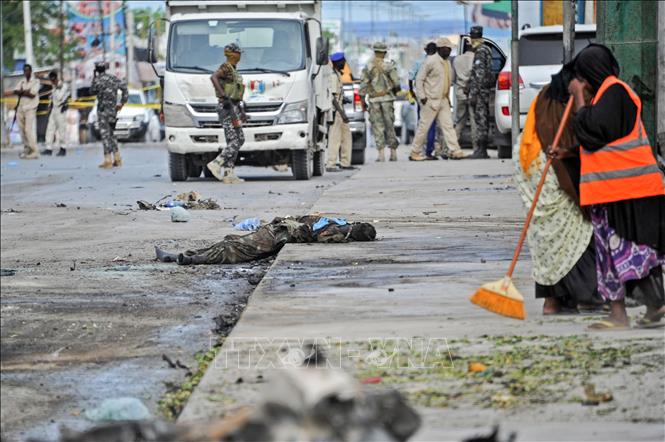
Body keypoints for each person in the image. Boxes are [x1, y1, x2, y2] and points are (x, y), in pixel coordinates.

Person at [554, 44, 665, 329]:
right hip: (611, 192)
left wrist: (579, 98)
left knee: (628, 251)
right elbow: (601, 145)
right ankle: (624, 312)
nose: (580, 86)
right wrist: (567, 153)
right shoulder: (606, 97)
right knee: (612, 254)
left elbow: (594, 131)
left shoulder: (615, 92)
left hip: (630, 191)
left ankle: (652, 305)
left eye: (581, 79)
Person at [513, 64, 601, 315]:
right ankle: (586, 296)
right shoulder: (564, 103)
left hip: (527, 164)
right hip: (545, 169)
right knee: (577, 231)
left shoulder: (549, 94)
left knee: (545, 237)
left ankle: (553, 301)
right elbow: (570, 146)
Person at [409, 37, 467, 161]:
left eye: (450, 49)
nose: (449, 51)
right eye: (447, 49)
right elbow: (419, 79)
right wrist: (422, 97)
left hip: (443, 100)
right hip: (430, 100)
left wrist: (447, 99)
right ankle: (414, 152)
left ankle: (455, 150)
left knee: (448, 126)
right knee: (423, 128)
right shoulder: (430, 61)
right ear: (440, 49)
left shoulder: (446, 62)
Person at [207, 43, 247, 184]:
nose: (240, 56)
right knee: (237, 140)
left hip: (233, 107)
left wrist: (241, 110)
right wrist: (224, 96)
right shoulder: (226, 67)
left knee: (236, 139)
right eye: (238, 53)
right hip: (227, 108)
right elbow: (213, 77)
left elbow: (236, 92)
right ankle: (216, 163)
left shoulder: (233, 70)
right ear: (234, 54)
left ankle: (229, 173)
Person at [359, 41, 400, 162]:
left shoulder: (368, 66)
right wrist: (395, 91)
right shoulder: (389, 66)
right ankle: (393, 153)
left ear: (374, 51)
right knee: (390, 125)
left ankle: (381, 154)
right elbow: (397, 83)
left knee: (377, 127)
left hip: (374, 100)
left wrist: (363, 101)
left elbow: (363, 85)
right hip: (387, 99)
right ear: (385, 52)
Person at [91, 61, 128, 168]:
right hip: (112, 111)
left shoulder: (97, 80)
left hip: (102, 111)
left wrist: (94, 77)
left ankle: (108, 160)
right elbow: (124, 87)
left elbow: (91, 91)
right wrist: (122, 102)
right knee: (111, 134)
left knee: (105, 135)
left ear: (97, 70)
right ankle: (117, 158)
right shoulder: (113, 78)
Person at [408, 40, 438, 160]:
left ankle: (418, 151)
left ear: (425, 51)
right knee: (432, 125)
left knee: (422, 124)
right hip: (434, 97)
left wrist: (412, 92)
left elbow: (410, 78)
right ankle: (429, 151)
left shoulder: (419, 62)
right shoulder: (439, 63)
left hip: (422, 97)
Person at [467, 26, 493, 159]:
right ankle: (481, 149)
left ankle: (482, 150)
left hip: (480, 93)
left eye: (472, 36)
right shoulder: (485, 49)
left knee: (481, 120)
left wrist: (475, 94)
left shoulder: (481, 51)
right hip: (483, 91)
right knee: (482, 119)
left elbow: (480, 74)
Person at [327, 52, 354, 172]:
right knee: (335, 138)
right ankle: (331, 164)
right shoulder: (333, 76)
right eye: (343, 62)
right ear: (337, 63)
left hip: (340, 110)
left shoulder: (337, 74)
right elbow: (332, 98)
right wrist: (342, 114)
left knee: (346, 137)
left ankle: (345, 162)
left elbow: (338, 95)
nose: (344, 64)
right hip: (336, 112)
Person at [10, 64, 40, 159]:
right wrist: (25, 92)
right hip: (20, 108)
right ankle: (27, 149)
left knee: (28, 130)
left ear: (31, 71)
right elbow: (15, 91)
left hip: (30, 108)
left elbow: (32, 94)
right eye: (25, 70)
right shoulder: (22, 82)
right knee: (22, 131)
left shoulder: (36, 81)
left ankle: (35, 150)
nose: (26, 72)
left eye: (28, 70)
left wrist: (22, 92)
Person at [38, 70, 70, 157]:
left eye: (54, 79)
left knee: (61, 130)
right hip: (54, 110)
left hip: (60, 109)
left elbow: (60, 97)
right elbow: (52, 98)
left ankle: (63, 148)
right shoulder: (54, 86)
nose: (53, 81)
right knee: (50, 129)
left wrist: (56, 87)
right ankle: (48, 148)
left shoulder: (63, 86)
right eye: (51, 80)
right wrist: (50, 105)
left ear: (56, 78)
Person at [453, 43, 477, 151]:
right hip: (472, 94)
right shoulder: (476, 58)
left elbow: (453, 78)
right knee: (474, 122)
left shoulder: (457, 60)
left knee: (459, 122)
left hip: (460, 93)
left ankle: (453, 147)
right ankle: (476, 148)